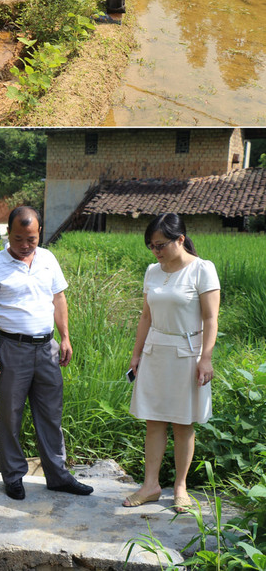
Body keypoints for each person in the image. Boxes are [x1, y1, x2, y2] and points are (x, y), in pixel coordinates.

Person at [0, 206, 94, 501]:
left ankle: (58, 475)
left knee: (51, 413)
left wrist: (65, 337)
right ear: (8, 234)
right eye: (18, 239)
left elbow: (59, 298)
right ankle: (14, 477)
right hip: (11, 351)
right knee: (10, 415)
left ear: (39, 232)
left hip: (47, 348)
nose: (25, 246)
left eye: (31, 239)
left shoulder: (48, 260)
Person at [124, 213, 220, 513]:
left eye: (161, 244)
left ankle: (180, 487)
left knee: (182, 423)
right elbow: (146, 317)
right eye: (152, 246)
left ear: (180, 238)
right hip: (155, 352)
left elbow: (210, 317)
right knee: (154, 421)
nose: (156, 251)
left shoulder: (202, 270)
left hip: (187, 354)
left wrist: (206, 358)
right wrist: (136, 354)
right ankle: (150, 485)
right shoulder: (153, 271)